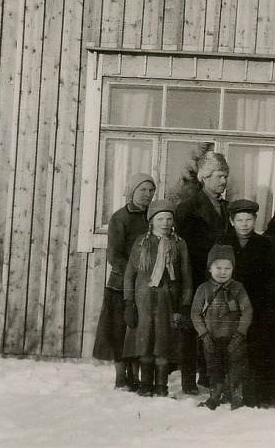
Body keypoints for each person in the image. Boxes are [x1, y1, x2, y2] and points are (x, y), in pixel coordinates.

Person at [176, 152, 232, 394]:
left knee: (215, 328)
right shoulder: (188, 208)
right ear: (205, 177)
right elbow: (183, 248)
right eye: (220, 176)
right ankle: (188, 382)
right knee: (192, 328)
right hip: (195, 277)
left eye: (226, 176)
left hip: (219, 279)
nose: (224, 181)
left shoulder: (228, 209)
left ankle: (209, 377)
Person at [123, 200, 193, 397]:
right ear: (151, 221)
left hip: (167, 301)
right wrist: (129, 302)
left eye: (168, 219)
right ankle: (145, 384)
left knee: (163, 343)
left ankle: (161, 385)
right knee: (145, 341)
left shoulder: (179, 244)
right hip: (143, 300)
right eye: (160, 219)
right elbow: (130, 274)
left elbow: (186, 278)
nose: (164, 223)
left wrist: (185, 304)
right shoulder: (142, 242)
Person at [93, 173, 156, 391]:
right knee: (120, 331)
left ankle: (136, 375)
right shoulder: (120, 217)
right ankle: (121, 377)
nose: (147, 195)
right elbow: (114, 255)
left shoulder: (155, 218)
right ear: (132, 191)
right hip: (121, 285)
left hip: (146, 286)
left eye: (151, 191)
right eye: (142, 190)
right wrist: (133, 275)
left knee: (139, 331)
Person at [221, 199, 275, 407]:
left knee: (258, 347)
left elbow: (274, 278)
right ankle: (228, 392)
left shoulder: (265, 244)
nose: (245, 224)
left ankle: (256, 394)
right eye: (240, 220)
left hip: (258, 306)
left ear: (255, 220)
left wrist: (264, 303)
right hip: (229, 305)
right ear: (232, 221)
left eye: (249, 219)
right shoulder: (223, 243)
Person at [191, 244, 253, 410]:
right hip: (211, 338)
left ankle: (237, 396)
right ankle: (214, 396)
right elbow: (195, 314)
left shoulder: (238, 289)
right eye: (218, 267)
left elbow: (247, 312)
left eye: (228, 267)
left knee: (236, 367)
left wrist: (240, 334)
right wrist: (204, 335)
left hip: (234, 339)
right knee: (214, 367)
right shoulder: (203, 289)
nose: (223, 271)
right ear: (210, 268)